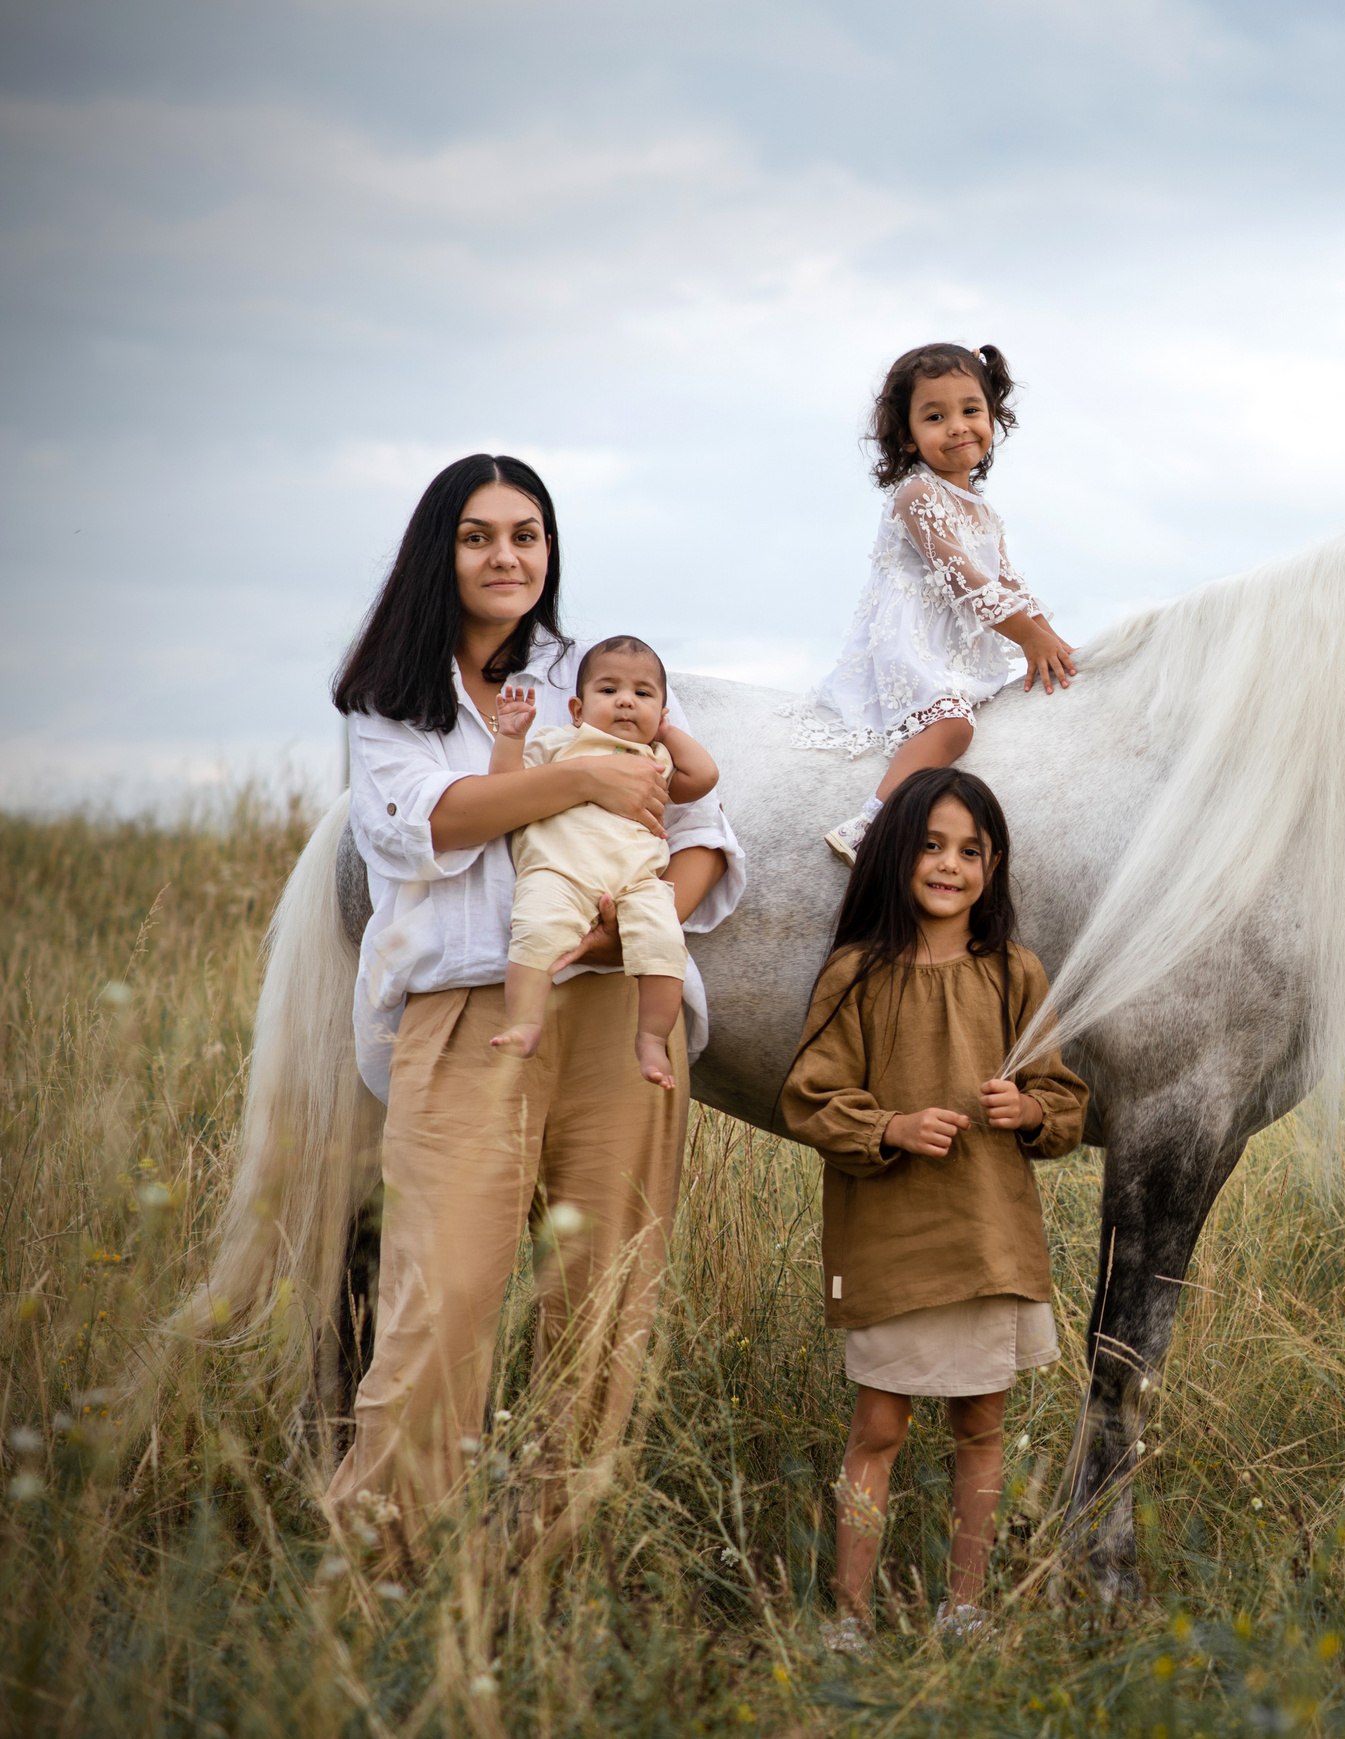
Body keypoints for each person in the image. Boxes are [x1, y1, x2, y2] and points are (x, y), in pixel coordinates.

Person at [328, 453, 744, 1567]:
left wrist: (629, 924)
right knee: (441, 1298)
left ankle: (535, 1575)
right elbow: (425, 825)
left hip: (616, 1016)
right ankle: (382, 1564)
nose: (506, 555)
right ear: (440, 551)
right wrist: (584, 782)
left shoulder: (601, 670)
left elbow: (705, 836)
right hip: (469, 1012)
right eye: (478, 535)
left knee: (603, 1305)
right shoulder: (388, 700)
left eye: (527, 533)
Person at [779, 769, 1088, 1650]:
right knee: (878, 1424)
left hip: (989, 1236)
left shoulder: (1015, 973)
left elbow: (1063, 1103)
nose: (950, 865)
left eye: (972, 851)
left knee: (981, 1426)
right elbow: (811, 1097)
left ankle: (965, 1610)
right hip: (892, 1236)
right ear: (894, 852)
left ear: (993, 866)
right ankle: (849, 1617)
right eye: (932, 845)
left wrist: (1027, 1110)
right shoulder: (857, 973)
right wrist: (892, 1124)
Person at [811, 343, 1078, 865]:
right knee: (951, 723)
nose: (957, 426)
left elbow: (1009, 582)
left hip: (954, 646)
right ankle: (870, 824)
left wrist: (1050, 640)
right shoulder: (917, 495)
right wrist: (1028, 637)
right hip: (912, 642)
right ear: (908, 438)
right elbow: (967, 581)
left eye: (970, 410)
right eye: (936, 416)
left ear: (992, 418)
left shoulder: (983, 510)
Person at [485, 636, 719, 1088]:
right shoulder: (560, 744)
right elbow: (505, 786)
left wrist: (666, 732)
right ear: (577, 709)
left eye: (643, 694)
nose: (626, 702)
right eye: (608, 691)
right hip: (559, 870)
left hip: (637, 882)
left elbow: (705, 777)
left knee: (666, 944)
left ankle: (651, 1038)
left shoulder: (658, 760)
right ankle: (525, 1023)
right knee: (536, 931)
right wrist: (512, 738)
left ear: (662, 712)